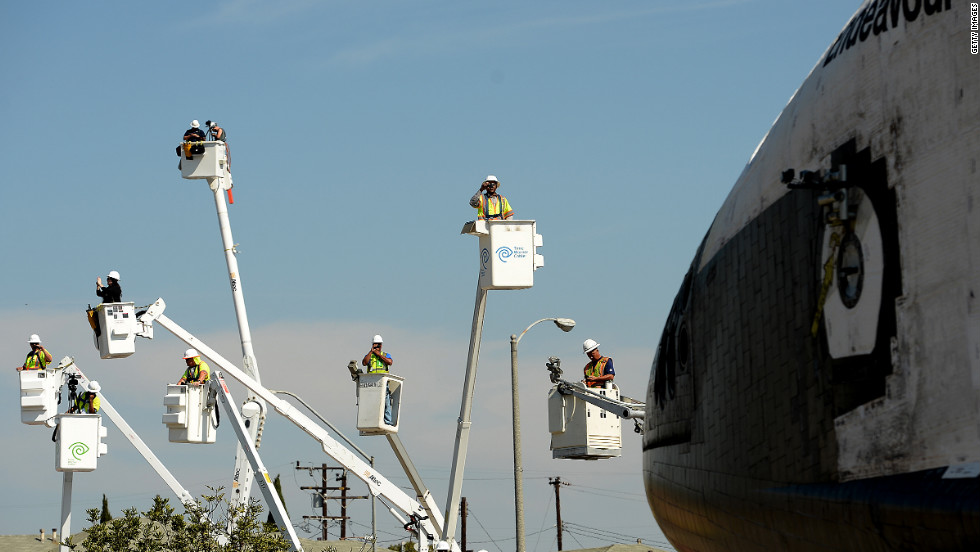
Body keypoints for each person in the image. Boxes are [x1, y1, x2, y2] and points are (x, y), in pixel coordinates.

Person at [361, 334, 394, 425]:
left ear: (381, 345)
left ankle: (387, 422)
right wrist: (371, 352)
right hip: (372, 384)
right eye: (375, 344)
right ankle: (371, 420)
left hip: (383, 383)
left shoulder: (385, 355)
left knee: (386, 403)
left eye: (379, 344)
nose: (377, 346)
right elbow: (364, 362)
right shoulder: (369, 355)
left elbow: (390, 362)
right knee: (372, 403)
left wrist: (379, 355)